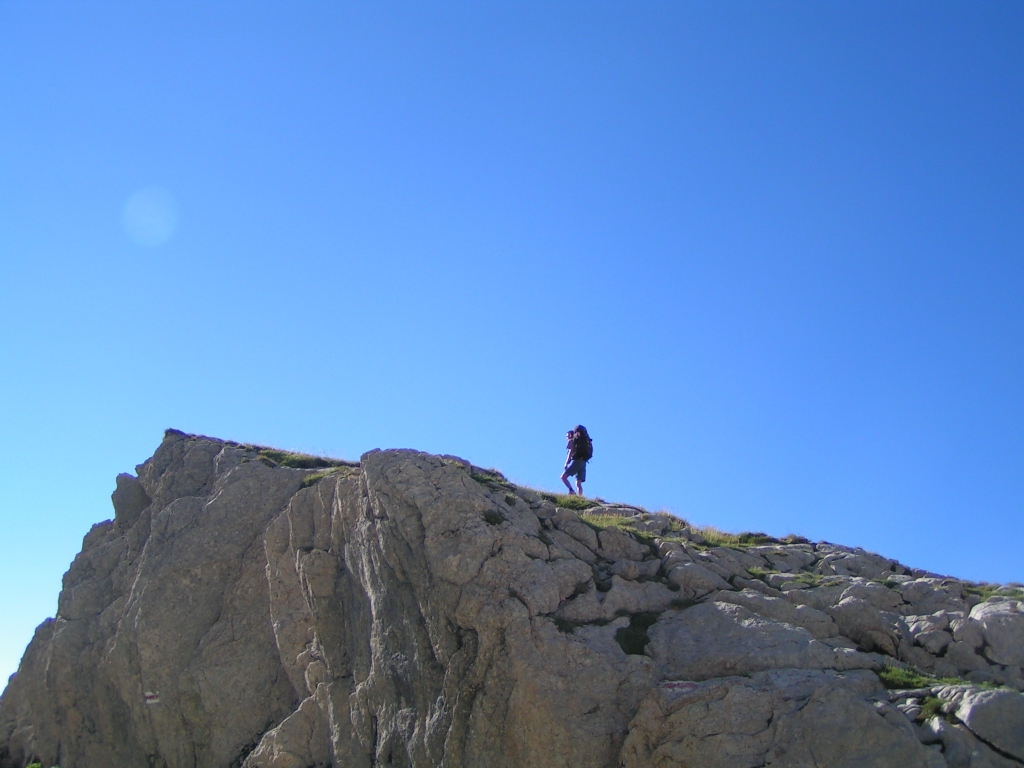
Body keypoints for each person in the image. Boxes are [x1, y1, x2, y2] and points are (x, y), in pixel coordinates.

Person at [561, 425, 592, 496]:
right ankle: (580, 497)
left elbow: (570, 452)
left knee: (563, 477)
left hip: (577, 461)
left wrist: (566, 463)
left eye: (567, 436)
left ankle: (571, 491)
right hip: (583, 462)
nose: (567, 438)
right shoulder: (583, 442)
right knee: (578, 483)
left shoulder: (572, 441)